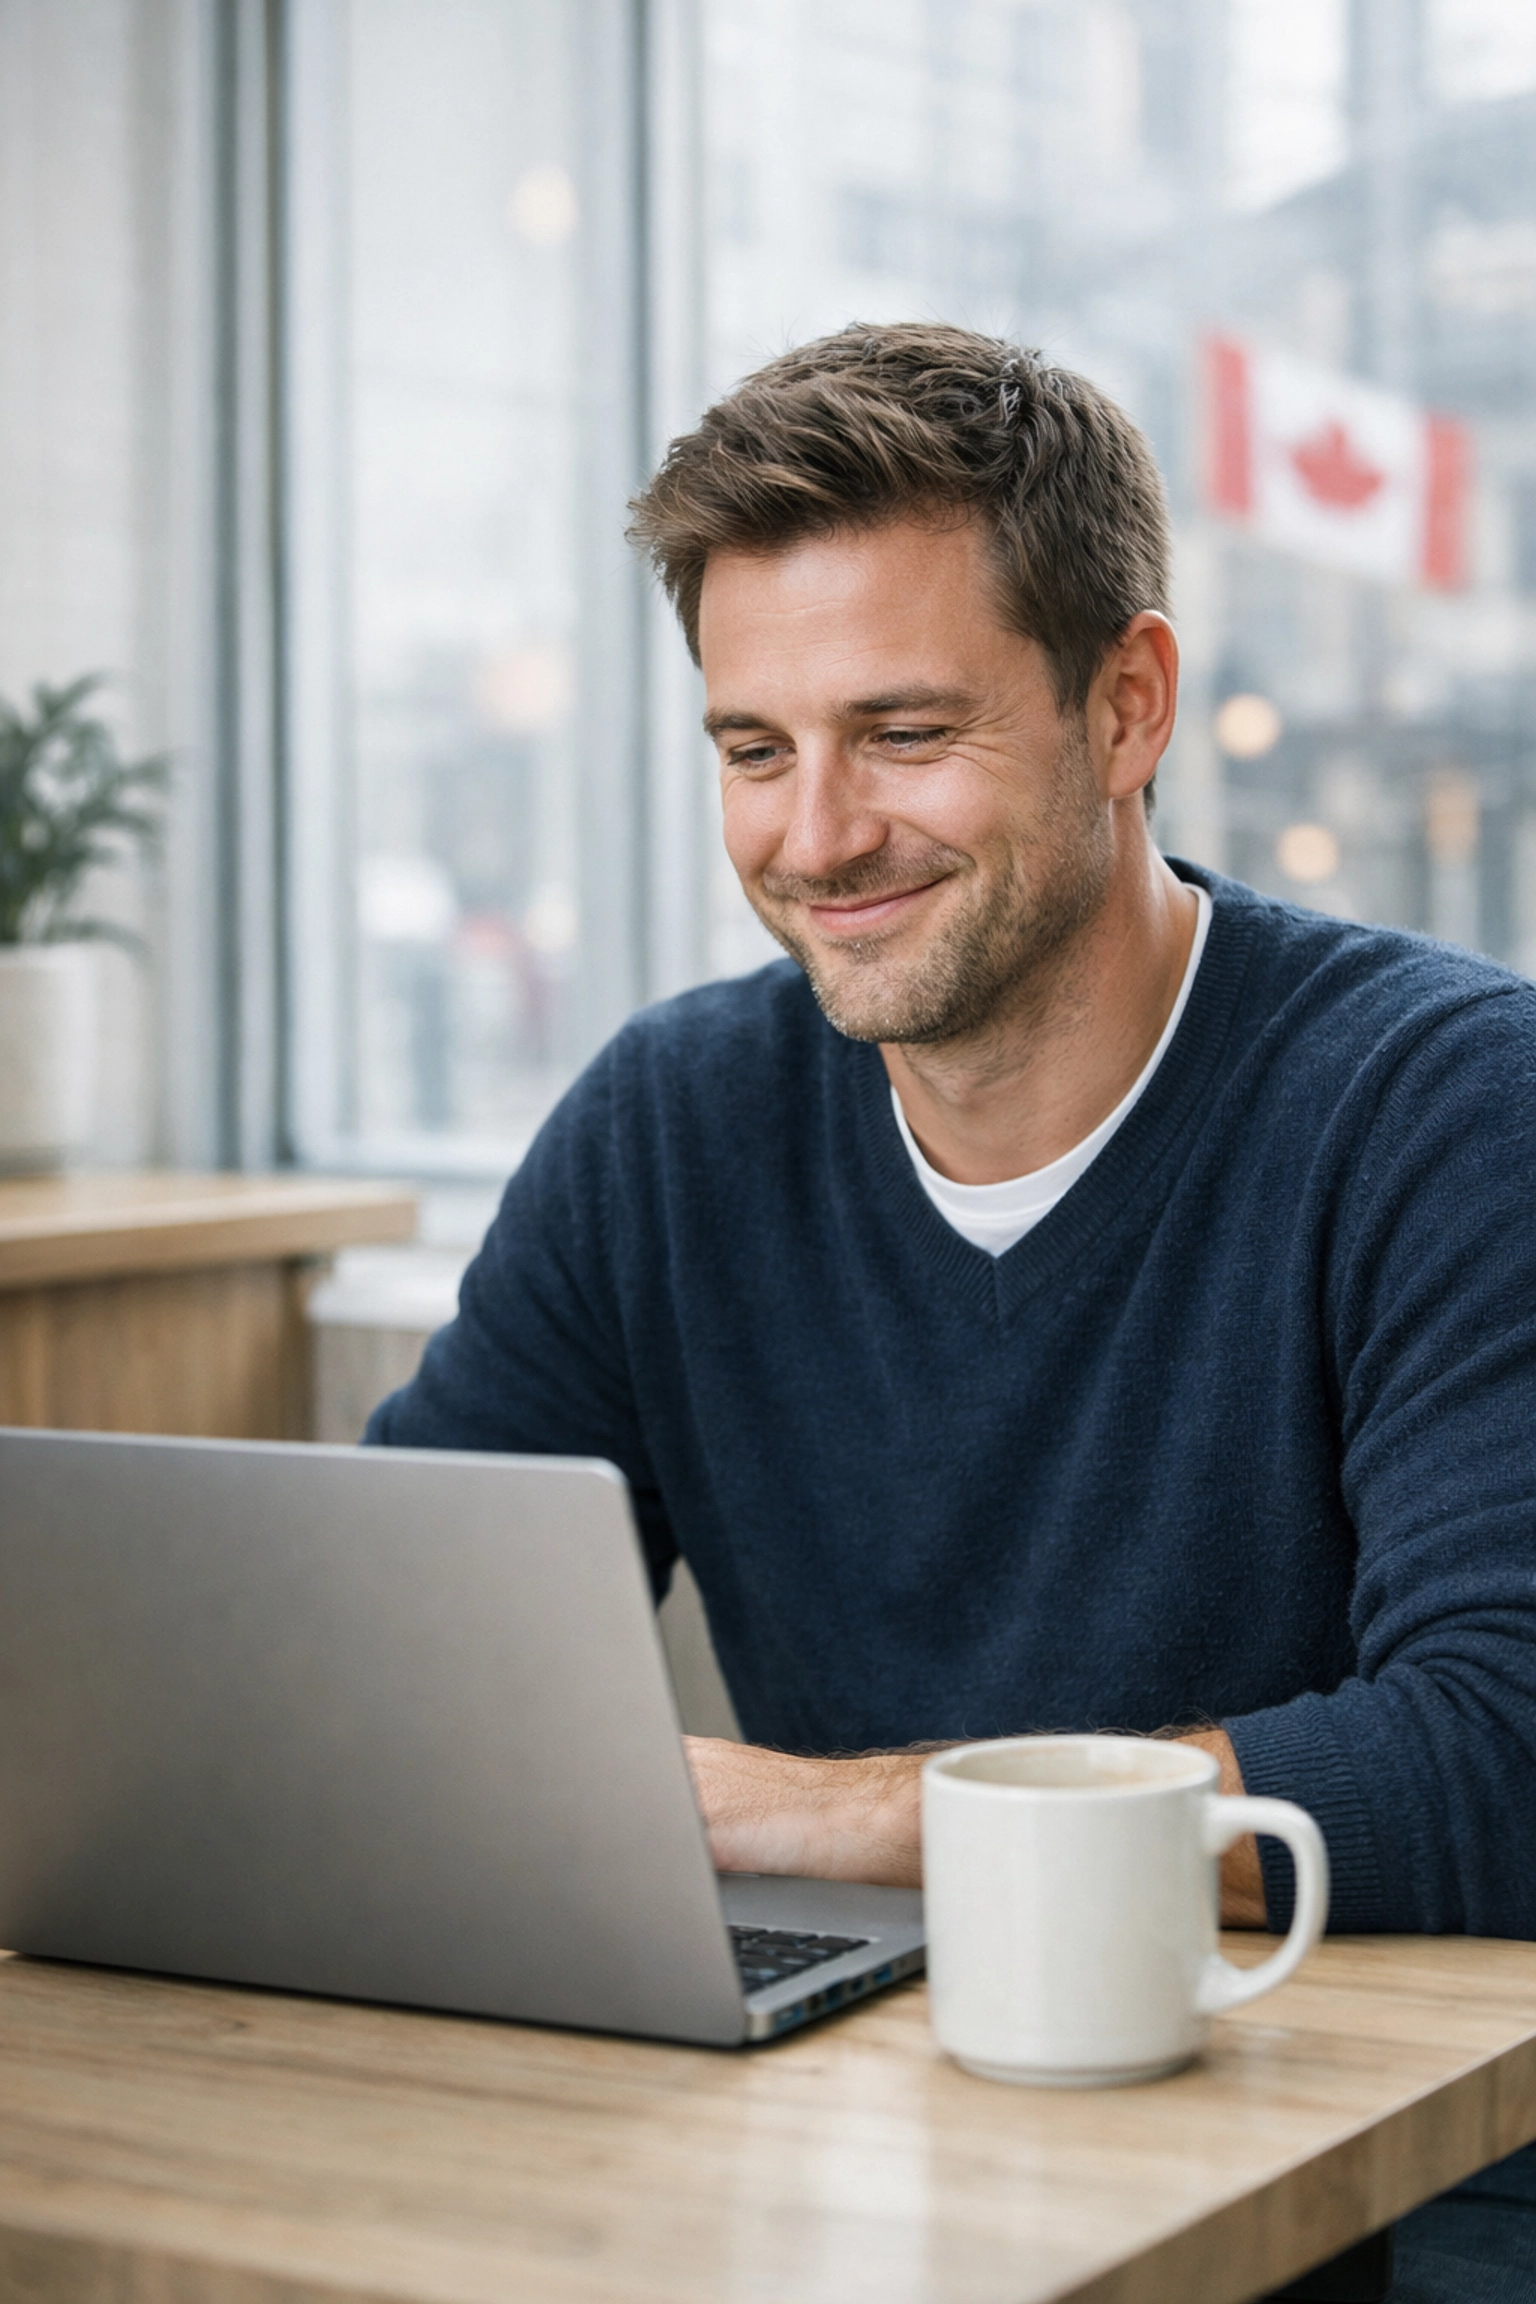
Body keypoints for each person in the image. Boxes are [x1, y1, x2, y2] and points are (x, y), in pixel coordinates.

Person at [369, 324, 1536, 2297]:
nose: (814, 838)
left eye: (903, 734)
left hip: (1390, 2180)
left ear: (1127, 705)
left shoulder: (1444, 1102)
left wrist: (813, 1820)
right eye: (755, 749)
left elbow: (1501, 1757)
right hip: (881, 2151)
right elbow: (393, 1656)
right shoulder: (671, 1126)